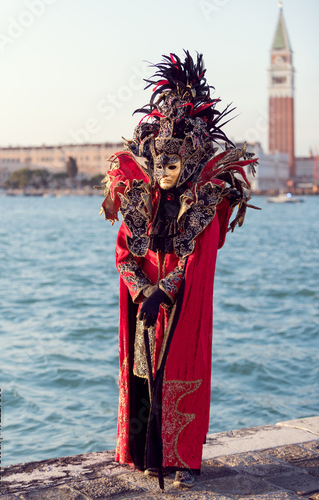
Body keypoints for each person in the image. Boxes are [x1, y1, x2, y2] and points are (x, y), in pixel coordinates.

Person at [100, 51, 258, 490]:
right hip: (143, 305)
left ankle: (176, 457)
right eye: (160, 163)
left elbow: (198, 260)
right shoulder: (137, 199)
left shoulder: (205, 204)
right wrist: (139, 292)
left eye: (174, 164)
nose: (166, 173)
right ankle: (143, 453)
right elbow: (124, 253)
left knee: (176, 370)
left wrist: (162, 292)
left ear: (188, 160)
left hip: (179, 305)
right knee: (143, 372)